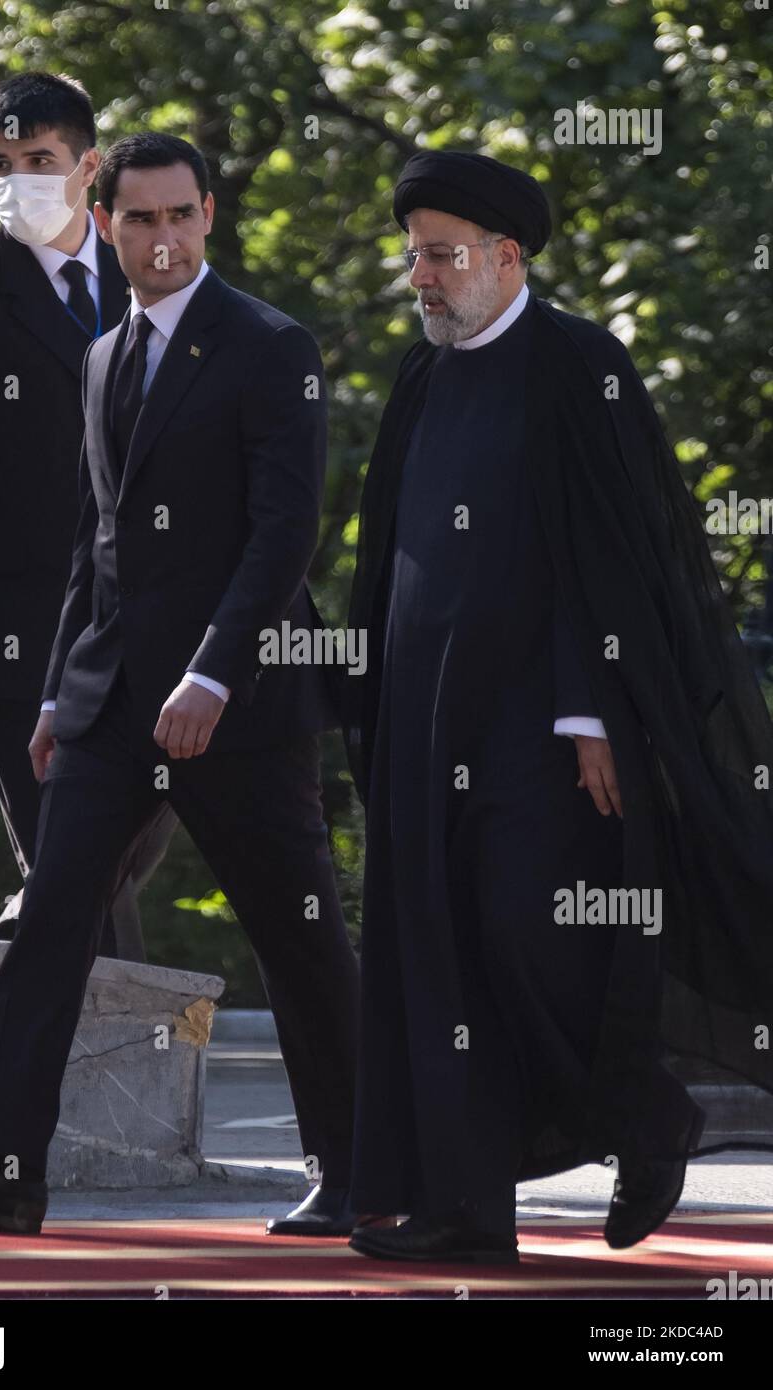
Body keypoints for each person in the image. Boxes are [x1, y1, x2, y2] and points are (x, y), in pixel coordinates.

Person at [0, 132, 366, 1239]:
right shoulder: (106, 354)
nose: (161, 239)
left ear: (208, 219)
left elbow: (283, 535)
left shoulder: (269, 344)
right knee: (52, 921)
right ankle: (7, 1165)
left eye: (179, 216)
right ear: (106, 225)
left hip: (233, 706)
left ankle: (351, 1169)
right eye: (138, 220)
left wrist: (210, 673)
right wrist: (55, 691)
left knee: (297, 936)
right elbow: (94, 546)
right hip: (105, 705)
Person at [342, 149, 773, 1263]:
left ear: (505, 256)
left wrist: (593, 714)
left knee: (528, 937)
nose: (421, 278)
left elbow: (627, 561)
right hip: (424, 719)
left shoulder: (580, 364)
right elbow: (386, 550)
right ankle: (467, 1214)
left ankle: (644, 1114)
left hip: (543, 729)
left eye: (441, 257)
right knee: (437, 953)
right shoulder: (419, 374)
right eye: (413, 257)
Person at [0, 72, 176, 953]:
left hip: (162, 629)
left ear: (88, 164)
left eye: (39, 158)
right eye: (0, 163)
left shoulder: (155, 267)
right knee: (77, 858)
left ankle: (11, 956)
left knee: (111, 858)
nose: (17, 177)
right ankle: (89, 1065)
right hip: (22, 645)